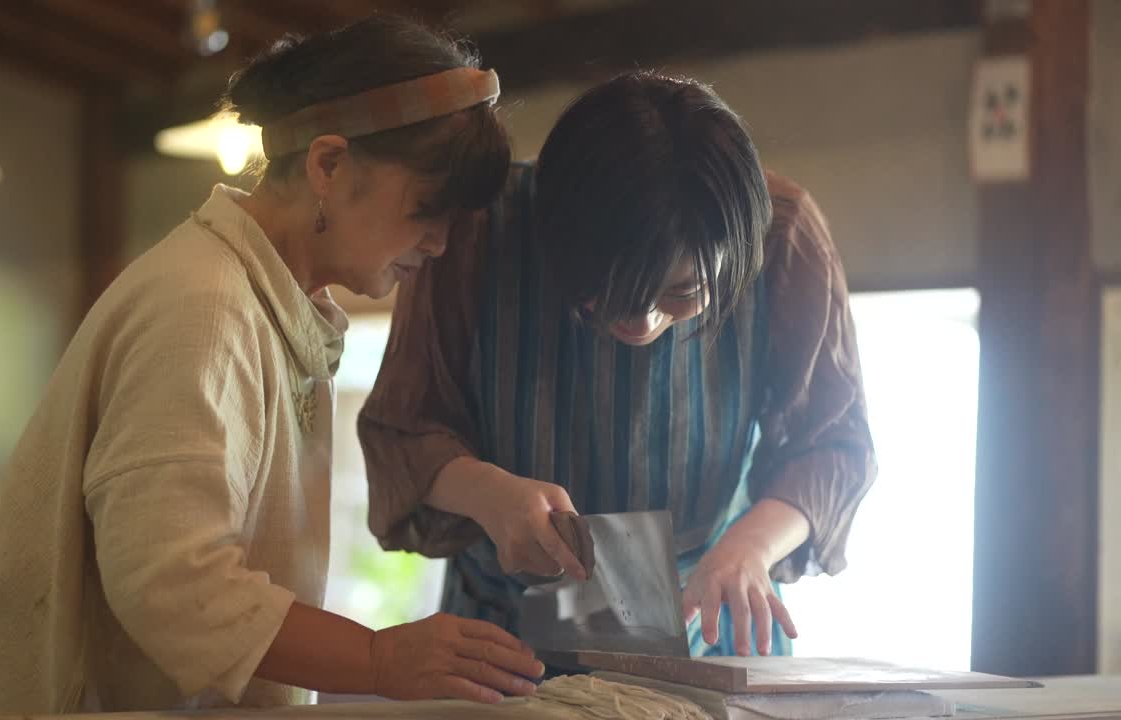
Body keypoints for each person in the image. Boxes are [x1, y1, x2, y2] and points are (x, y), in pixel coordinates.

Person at [0, 16, 544, 719]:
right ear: (329, 166)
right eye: (427, 210)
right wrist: (378, 659)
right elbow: (173, 583)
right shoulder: (205, 305)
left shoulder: (260, 299)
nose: (437, 243)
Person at [359, 71, 877, 660]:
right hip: (504, 632)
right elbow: (403, 429)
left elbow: (834, 445)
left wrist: (749, 548)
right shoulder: (483, 228)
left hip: (706, 624)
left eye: (682, 294)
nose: (641, 325)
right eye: (603, 296)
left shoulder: (782, 234)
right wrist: (489, 495)